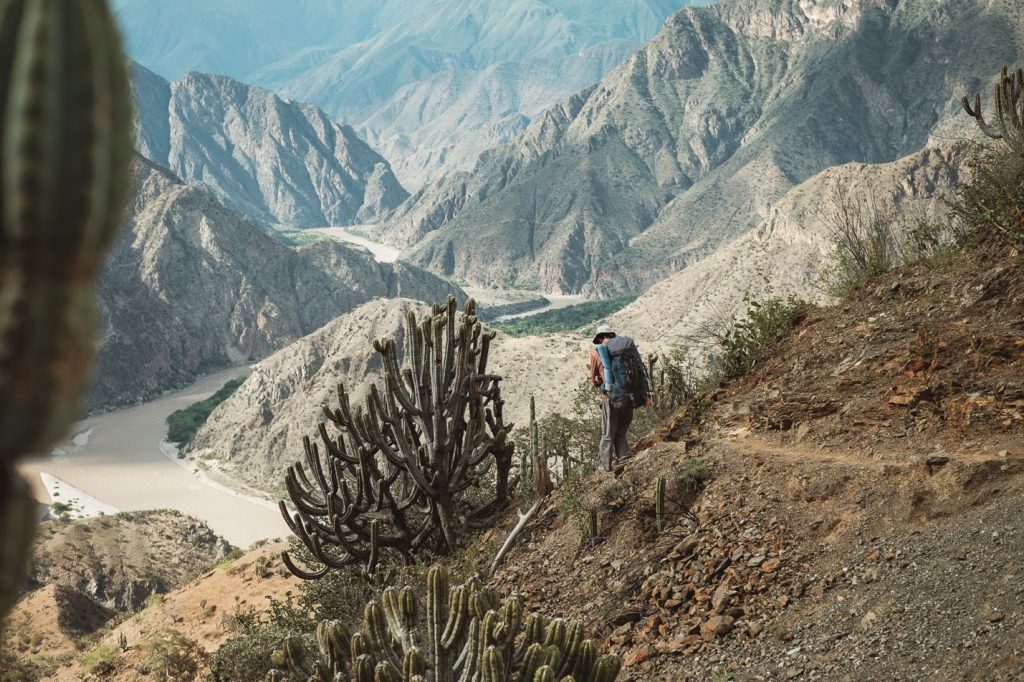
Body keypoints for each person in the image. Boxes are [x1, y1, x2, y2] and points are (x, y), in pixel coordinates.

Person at [589, 324, 649, 471]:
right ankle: (624, 455)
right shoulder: (626, 348)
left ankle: (604, 466)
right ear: (612, 335)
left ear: (601, 337)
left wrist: (599, 379)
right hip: (630, 395)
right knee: (621, 429)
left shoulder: (597, 352)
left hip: (610, 397)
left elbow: (594, 380)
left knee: (608, 432)